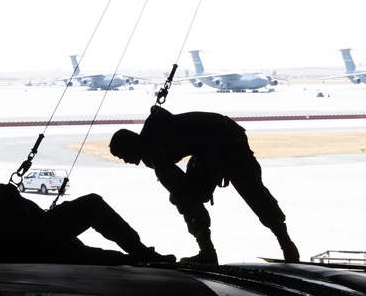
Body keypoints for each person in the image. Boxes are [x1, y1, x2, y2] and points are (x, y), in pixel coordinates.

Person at [109, 106, 300, 264]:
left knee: (250, 189)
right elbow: (174, 183)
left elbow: (165, 173)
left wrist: (180, 195)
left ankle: (286, 244)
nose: (125, 160)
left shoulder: (152, 138)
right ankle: (207, 251)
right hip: (208, 148)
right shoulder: (150, 154)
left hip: (227, 136)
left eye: (122, 155)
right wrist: (181, 197)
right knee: (186, 196)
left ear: (130, 144)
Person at [0, 183, 174, 265]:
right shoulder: (23, 206)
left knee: (100, 257)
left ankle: (137, 258)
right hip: (39, 244)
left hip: (16, 254)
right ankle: (141, 254)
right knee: (92, 204)